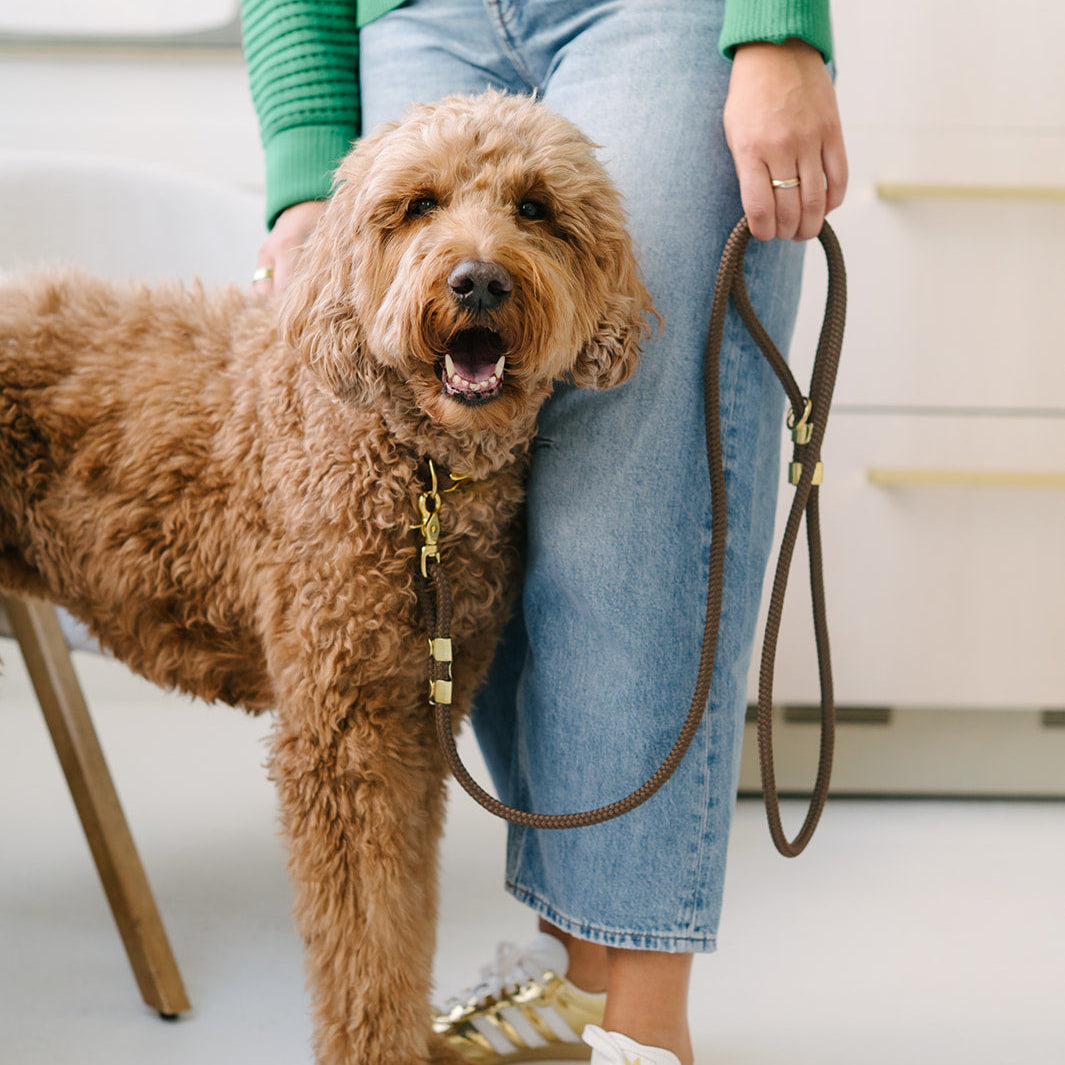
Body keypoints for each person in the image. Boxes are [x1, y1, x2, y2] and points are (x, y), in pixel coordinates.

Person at [239, 3, 847, 1065]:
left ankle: (644, 1028)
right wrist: (305, 176)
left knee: (640, 478)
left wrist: (779, 26)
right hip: (412, 17)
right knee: (467, 484)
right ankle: (574, 980)